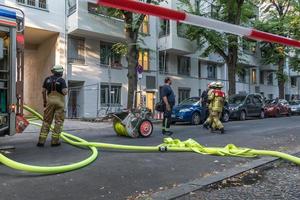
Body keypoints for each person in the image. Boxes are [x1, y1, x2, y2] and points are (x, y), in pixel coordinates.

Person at [37, 65, 68, 147]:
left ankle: (41, 141)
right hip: (59, 103)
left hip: (49, 102)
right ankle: (55, 142)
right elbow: (64, 92)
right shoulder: (62, 80)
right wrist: (66, 89)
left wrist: (44, 101)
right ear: (60, 72)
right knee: (58, 122)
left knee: (46, 121)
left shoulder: (47, 79)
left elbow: (43, 91)